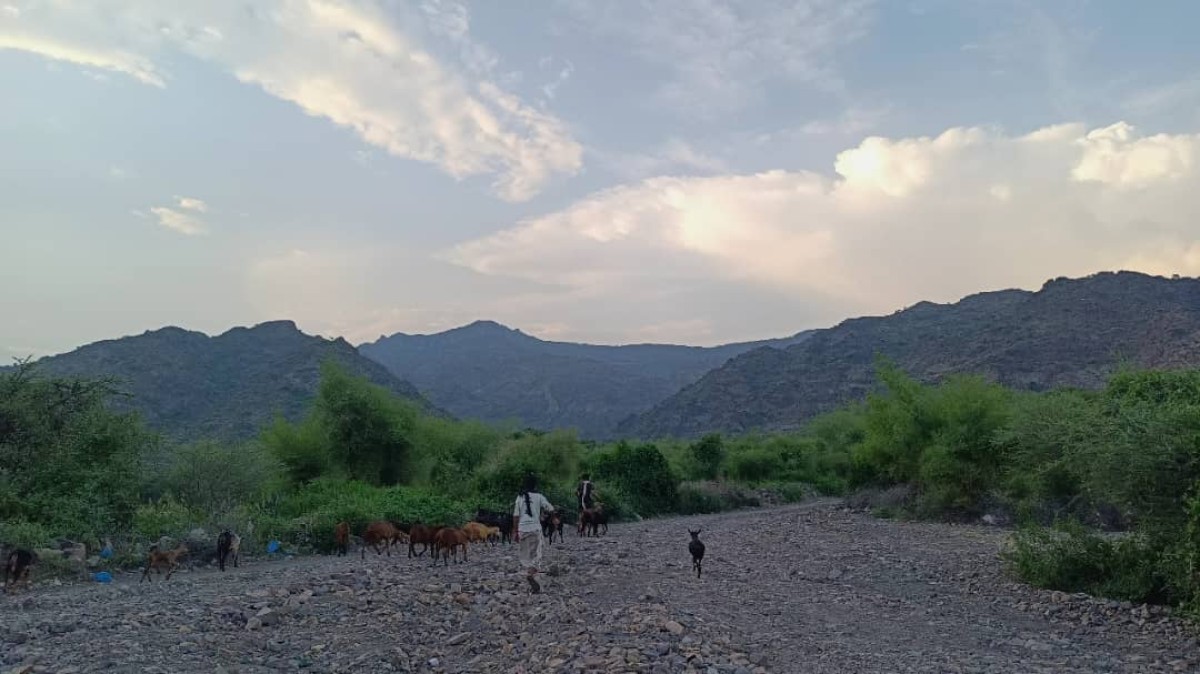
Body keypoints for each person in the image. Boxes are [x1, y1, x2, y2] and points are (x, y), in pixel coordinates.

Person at [513, 473, 554, 594]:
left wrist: (515, 531)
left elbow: (515, 516)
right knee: (537, 554)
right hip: (535, 528)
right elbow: (550, 509)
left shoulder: (519, 497)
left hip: (522, 529)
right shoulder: (539, 496)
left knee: (526, 556)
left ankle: (530, 575)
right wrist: (547, 516)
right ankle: (532, 574)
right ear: (535, 484)